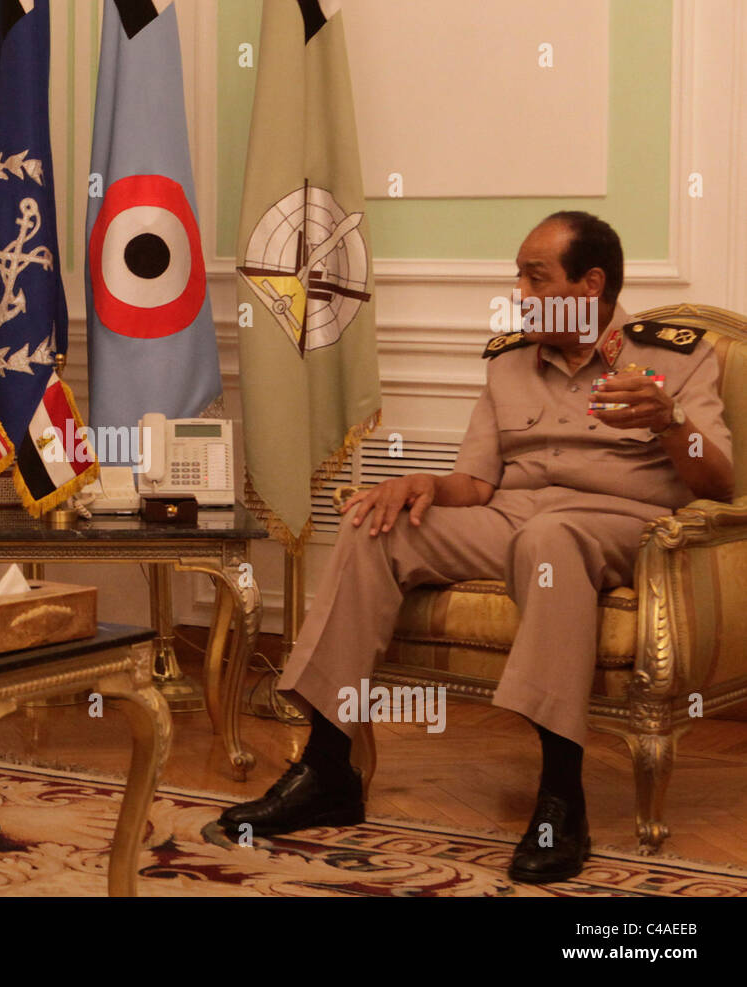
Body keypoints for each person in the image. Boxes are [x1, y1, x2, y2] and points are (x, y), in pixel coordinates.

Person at [220, 211, 734, 883]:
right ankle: (327, 765)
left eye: (535, 275)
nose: (519, 291)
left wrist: (671, 419)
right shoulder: (510, 359)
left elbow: (719, 480)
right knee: (374, 524)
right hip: (512, 517)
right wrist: (416, 482)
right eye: (518, 275)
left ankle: (561, 796)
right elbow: (475, 481)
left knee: (552, 538)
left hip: (618, 523)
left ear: (591, 283)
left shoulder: (676, 354)